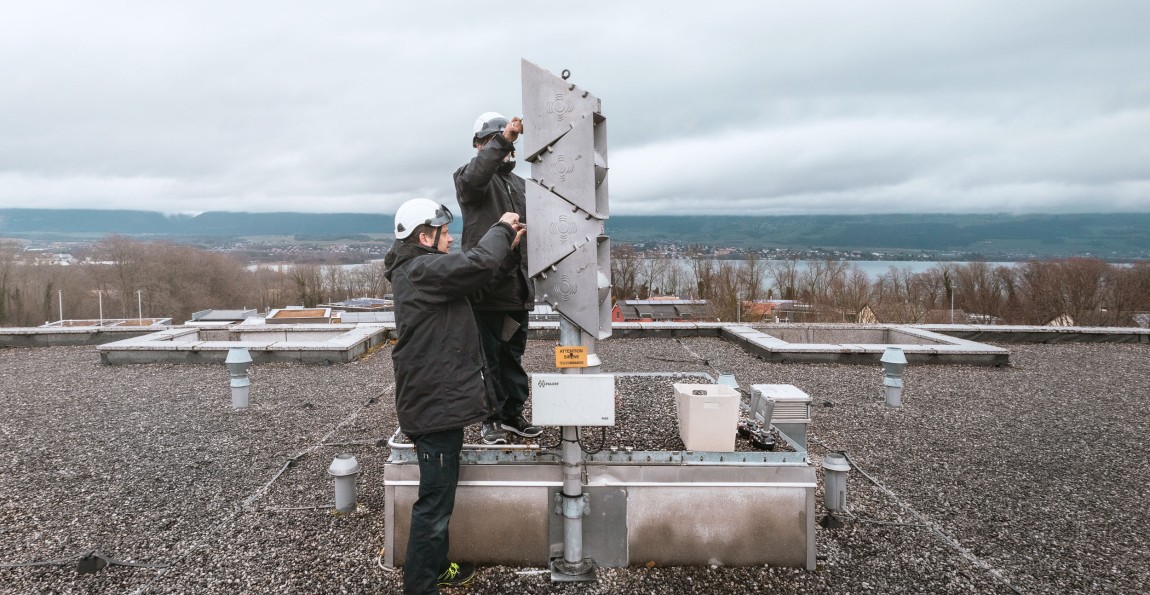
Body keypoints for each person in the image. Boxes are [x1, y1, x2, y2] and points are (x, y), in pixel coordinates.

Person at [384, 198, 526, 594]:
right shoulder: (420, 269)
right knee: (434, 504)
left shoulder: (422, 273)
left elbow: (475, 283)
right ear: (424, 236)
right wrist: (500, 229)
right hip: (434, 409)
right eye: (445, 233)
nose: (450, 240)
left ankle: (437, 566)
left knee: (440, 496)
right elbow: (473, 265)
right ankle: (420, 585)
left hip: (436, 405)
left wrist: (506, 252)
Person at [454, 112, 542, 445]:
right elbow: (477, 175)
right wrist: (504, 137)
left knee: (512, 357)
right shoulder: (470, 181)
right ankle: (488, 421)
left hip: (516, 291)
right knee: (485, 360)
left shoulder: (520, 186)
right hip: (485, 290)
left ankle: (512, 416)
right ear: (480, 145)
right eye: (494, 142)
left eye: (505, 143)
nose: (506, 149)